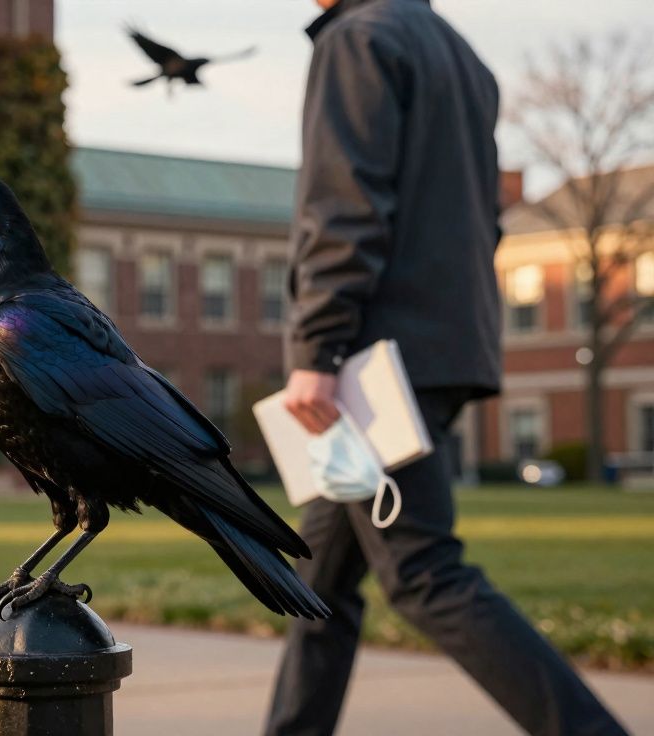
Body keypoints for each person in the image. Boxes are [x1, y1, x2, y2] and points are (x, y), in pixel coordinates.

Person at [266, 1, 630, 734]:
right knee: (320, 584)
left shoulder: (357, 40)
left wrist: (318, 349)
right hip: (438, 350)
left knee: (423, 571)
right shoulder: (462, 58)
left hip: (369, 366)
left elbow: (345, 209)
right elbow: (484, 221)